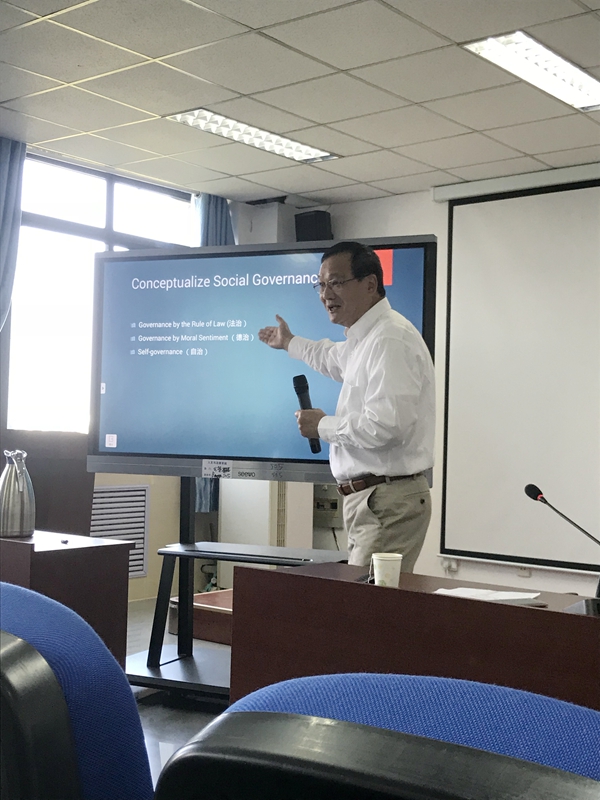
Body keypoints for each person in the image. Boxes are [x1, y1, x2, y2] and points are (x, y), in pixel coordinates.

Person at [258, 241, 435, 571]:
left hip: (385, 501)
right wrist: (289, 342)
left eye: (336, 283)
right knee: (365, 599)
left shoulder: (389, 339)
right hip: (374, 500)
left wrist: (322, 426)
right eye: (320, 285)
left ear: (369, 284)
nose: (326, 294)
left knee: (366, 602)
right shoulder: (367, 337)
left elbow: (386, 426)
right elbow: (331, 357)